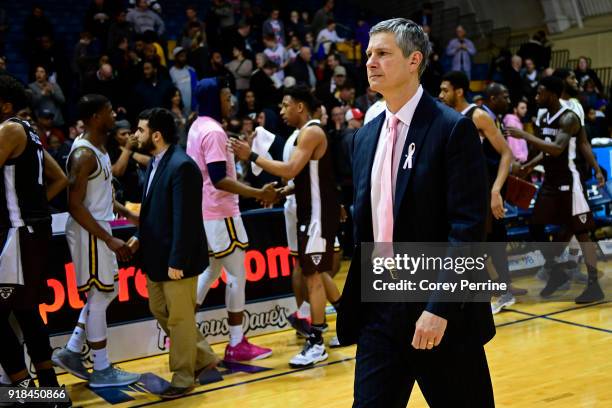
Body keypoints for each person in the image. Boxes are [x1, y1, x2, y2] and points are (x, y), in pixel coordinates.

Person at [335, 19, 495, 406]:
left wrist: (438, 308)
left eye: (383, 53)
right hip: (379, 311)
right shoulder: (363, 137)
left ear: (414, 61)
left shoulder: (451, 129)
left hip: (440, 311)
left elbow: (468, 229)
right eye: (370, 53)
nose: (371, 61)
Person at [230, 85, 342, 368]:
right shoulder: (304, 134)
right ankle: (343, 323)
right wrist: (281, 193)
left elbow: (291, 169)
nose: (281, 111)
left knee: (315, 276)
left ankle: (317, 343)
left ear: (300, 107)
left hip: (317, 216)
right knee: (311, 274)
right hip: (309, 214)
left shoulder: (312, 132)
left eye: (285, 105)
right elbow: (302, 179)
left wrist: (252, 156)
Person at [127, 108, 218, 399]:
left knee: (179, 319)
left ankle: (182, 377)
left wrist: (177, 260)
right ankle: (203, 356)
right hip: (155, 258)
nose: (135, 135)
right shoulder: (156, 162)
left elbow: (186, 219)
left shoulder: (182, 166)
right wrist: (139, 237)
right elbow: (152, 212)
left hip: (176, 261)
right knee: (159, 309)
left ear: (156, 134)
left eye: (140, 130)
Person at [51, 94, 141, 388]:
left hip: (99, 227)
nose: (113, 114)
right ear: (94, 118)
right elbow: (74, 205)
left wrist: (128, 214)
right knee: (100, 296)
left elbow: (102, 195)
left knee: (104, 293)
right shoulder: (83, 155)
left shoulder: (99, 149)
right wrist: (107, 239)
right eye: (108, 111)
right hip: (89, 232)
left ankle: (73, 351)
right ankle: (101, 369)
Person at [188, 78, 276, 362]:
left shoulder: (196, 125)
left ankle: (182, 329)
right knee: (238, 275)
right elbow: (218, 179)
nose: (231, 102)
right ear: (215, 99)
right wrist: (256, 192)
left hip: (205, 213)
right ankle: (236, 342)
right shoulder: (213, 131)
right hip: (221, 212)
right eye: (226, 97)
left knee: (211, 272)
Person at [505, 76, 604, 303]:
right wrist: (529, 167)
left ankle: (593, 285)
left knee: (581, 233)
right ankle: (557, 270)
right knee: (536, 228)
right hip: (550, 181)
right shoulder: (545, 117)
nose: (536, 97)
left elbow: (560, 148)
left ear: (551, 93)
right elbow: (546, 150)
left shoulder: (569, 118)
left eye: (540, 93)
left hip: (570, 182)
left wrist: (596, 169)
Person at [0, 74, 69, 401]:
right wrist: (35, 209)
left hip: (19, 235)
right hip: (32, 231)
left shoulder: (9, 130)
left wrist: (23, 214)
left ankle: (26, 392)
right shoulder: (27, 129)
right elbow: (58, 178)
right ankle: (50, 391)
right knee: (26, 311)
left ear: (5, 105)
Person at [439, 72, 526, 314]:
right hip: (462, 190)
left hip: (486, 188)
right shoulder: (447, 118)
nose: (440, 94)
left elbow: (507, 153)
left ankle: (504, 292)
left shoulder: (477, 116)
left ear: (458, 91)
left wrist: (496, 190)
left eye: (445, 90)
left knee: (492, 240)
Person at [169, 47, 198, 116]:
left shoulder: (191, 70)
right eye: (181, 56)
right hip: (179, 111)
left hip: (192, 109)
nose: (184, 58)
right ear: (176, 57)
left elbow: (196, 89)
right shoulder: (171, 72)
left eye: (185, 56)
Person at [503, 98, 529, 162]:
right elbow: (512, 142)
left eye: (526, 108)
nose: (525, 110)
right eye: (522, 108)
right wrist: (520, 158)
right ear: (515, 109)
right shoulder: (511, 121)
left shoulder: (518, 121)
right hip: (517, 160)